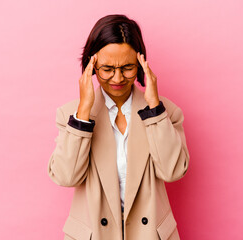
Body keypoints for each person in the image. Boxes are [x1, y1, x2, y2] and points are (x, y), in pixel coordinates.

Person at [48, 14, 190, 240]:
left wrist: (154, 109)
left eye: (127, 68)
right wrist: (84, 112)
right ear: (91, 65)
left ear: (141, 64)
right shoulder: (71, 115)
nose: (117, 78)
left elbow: (172, 172)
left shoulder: (166, 112)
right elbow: (66, 177)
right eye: (107, 69)